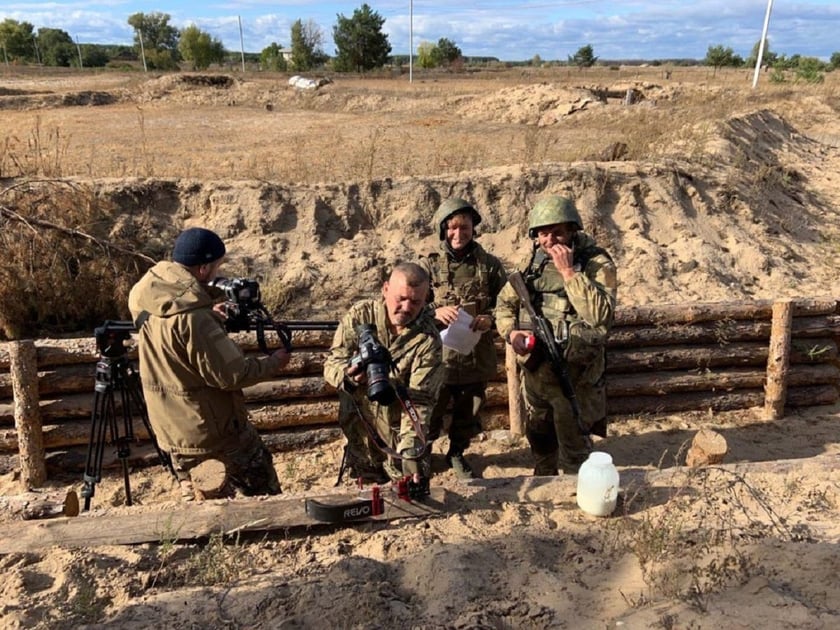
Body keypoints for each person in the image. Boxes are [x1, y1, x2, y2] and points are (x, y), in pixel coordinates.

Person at [128, 227, 290, 498]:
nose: (218, 273)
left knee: (200, 496)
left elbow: (173, 335)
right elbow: (232, 375)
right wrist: (273, 363)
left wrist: (208, 313)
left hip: (173, 431)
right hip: (213, 433)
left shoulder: (146, 295)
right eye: (217, 266)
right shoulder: (195, 319)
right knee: (263, 491)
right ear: (203, 269)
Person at [494, 195, 617, 475]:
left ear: (573, 230)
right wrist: (511, 333)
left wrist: (568, 272)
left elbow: (600, 316)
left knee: (574, 445)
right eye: (543, 233)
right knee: (539, 436)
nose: (550, 240)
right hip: (538, 371)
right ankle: (544, 474)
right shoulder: (531, 264)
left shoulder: (596, 263)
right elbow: (504, 305)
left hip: (575, 375)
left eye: (558, 231)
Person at [323, 262, 444, 486]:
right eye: (401, 298)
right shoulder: (361, 316)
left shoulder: (428, 339)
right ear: (385, 289)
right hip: (361, 429)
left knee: (412, 486)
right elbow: (331, 364)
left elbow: (420, 401)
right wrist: (349, 376)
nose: (407, 308)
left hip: (400, 439)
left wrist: (410, 452)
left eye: (416, 302)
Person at [418, 197, 507, 479]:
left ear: (473, 228)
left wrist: (489, 318)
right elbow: (411, 306)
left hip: (474, 353)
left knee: (468, 411)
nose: (459, 234)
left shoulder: (490, 265)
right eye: (453, 228)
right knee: (431, 409)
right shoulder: (428, 266)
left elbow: (506, 303)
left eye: (465, 228)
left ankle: (457, 452)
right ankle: (423, 454)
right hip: (438, 356)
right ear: (443, 230)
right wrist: (436, 310)